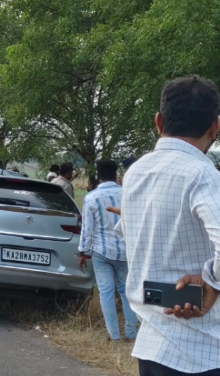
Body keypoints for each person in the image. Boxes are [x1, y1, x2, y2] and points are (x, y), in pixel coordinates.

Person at [116, 75, 220, 376]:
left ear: (159, 122)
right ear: (214, 127)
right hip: (201, 350)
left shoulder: (136, 172)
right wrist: (212, 284)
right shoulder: (203, 175)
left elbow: (131, 235)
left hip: (152, 341)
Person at [78, 159, 138, 342]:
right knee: (126, 292)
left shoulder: (92, 198)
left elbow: (87, 229)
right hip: (126, 251)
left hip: (101, 252)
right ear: (116, 174)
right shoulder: (128, 194)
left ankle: (113, 335)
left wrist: (82, 252)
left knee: (105, 292)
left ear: (98, 175)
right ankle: (131, 332)